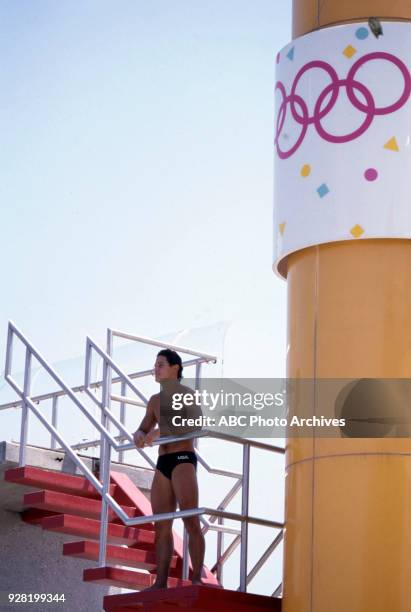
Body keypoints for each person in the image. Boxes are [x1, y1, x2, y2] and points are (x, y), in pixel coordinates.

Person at [133, 348, 205, 589]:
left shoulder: (187, 395)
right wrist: (139, 434)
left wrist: (158, 432)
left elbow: (193, 423)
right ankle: (160, 582)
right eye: (155, 365)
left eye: (161, 364)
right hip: (162, 463)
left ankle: (196, 579)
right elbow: (143, 428)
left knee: (190, 520)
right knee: (161, 524)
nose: (156, 368)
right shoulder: (154, 400)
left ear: (175, 368)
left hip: (183, 459)